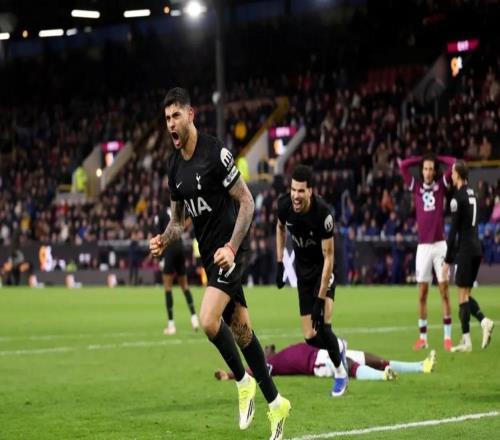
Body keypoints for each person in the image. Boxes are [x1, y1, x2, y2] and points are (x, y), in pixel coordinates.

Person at [149, 88, 290, 440]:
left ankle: (243, 383)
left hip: (232, 251)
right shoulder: (174, 166)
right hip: (211, 257)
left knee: (208, 319)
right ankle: (277, 403)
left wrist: (231, 246)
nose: (171, 124)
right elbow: (178, 221)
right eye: (167, 119)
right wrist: (163, 239)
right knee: (242, 332)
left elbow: (247, 202)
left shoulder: (216, 154)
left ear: (191, 115)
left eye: (176, 116)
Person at [275, 164, 348, 397]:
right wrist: (279, 263)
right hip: (303, 275)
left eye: (301, 191)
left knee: (324, 327)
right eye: (293, 190)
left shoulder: (323, 214)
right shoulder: (284, 206)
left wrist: (320, 299)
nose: (295, 195)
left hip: (323, 272)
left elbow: (329, 257)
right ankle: (339, 346)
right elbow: (279, 228)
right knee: (310, 337)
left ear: (310, 191)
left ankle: (340, 374)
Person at [399, 154, 455, 351]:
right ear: (421, 171)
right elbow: (403, 166)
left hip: (440, 245)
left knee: (444, 292)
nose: (428, 172)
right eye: (425, 169)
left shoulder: (441, 185)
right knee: (422, 294)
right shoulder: (415, 186)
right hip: (423, 248)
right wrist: (422, 159)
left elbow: (454, 164)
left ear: (435, 171)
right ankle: (423, 338)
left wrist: (436, 158)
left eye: (431, 169)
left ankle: (447, 338)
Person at [442, 160, 494, 352]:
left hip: (465, 251)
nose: (451, 174)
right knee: (465, 295)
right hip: (476, 249)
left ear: (458, 174)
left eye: (452, 171)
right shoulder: (472, 193)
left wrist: (447, 260)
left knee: (462, 296)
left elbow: (453, 232)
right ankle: (467, 340)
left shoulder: (457, 199)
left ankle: (482, 323)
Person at [214, 341, 436, 381]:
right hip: (317, 363)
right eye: (264, 349)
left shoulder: (280, 354)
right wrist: (229, 375)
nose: (267, 347)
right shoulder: (273, 365)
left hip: (323, 351)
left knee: (372, 358)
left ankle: (420, 367)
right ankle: (382, 376)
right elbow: (253, 371)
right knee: (348, 364)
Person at [156, 208, 199, 335]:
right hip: (180, 247)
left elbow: (159, 235)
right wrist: (182, 228)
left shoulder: (161, 213)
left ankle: (171, 325)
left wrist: (160, 259)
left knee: (168, 288)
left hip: (169, 249)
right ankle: (194, 318)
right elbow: (191, 216)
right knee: (185, 286)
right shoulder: (177, 209)